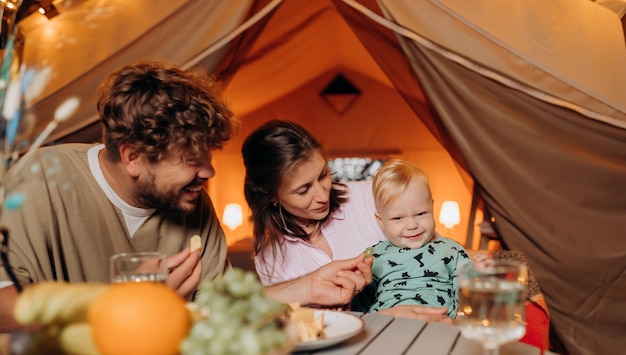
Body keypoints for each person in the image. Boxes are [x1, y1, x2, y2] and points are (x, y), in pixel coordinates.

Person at [0, 61, 234, 332]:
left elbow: (222, 313)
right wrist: (123, 303)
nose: (209, 171)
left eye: (208, 157)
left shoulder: (193, 202)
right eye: (192, 160)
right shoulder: (38, 178)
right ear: (132, 157)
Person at [242, 119, 453, 321]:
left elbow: (438, 257)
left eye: (323, 175)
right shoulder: (270, 256)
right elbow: (297, 330)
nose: (322, 195)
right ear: (271, 195)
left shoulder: (370, 196)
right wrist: (378, 317)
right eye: (303, 190)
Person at [350, 159, 470, 317]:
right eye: (398, 218)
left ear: (432, 207)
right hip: (386, 324)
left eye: (421, 214)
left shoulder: (451, 250)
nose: (412, 225)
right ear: (381, 221)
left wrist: (481, 274)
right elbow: (359, 308)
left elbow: (470, 296)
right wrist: (357, 286)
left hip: (438, 324)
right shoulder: (374, 256)